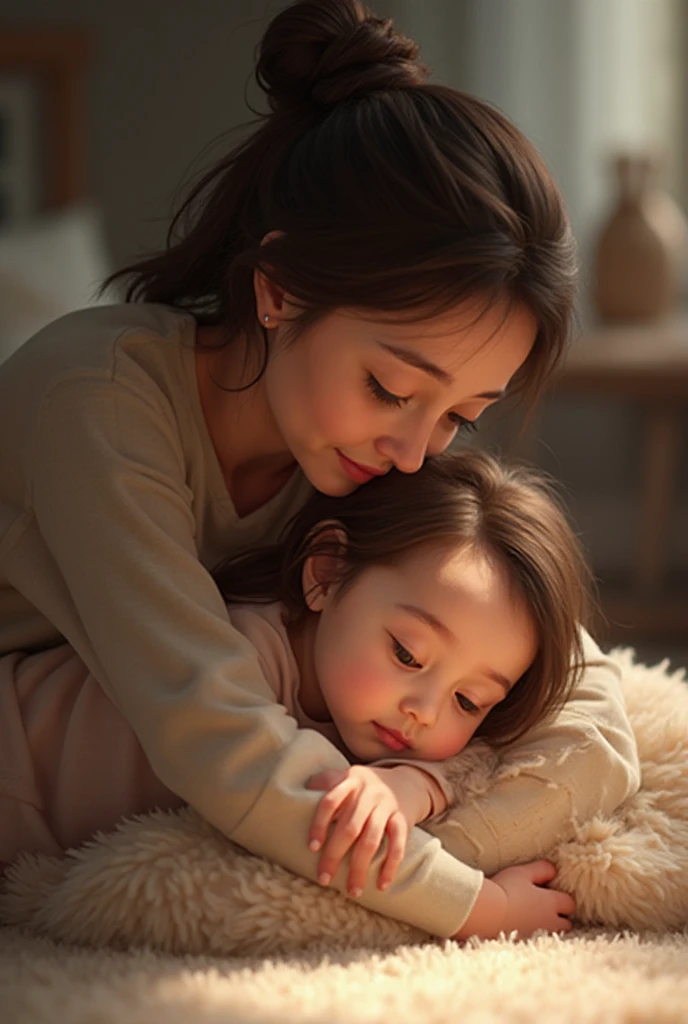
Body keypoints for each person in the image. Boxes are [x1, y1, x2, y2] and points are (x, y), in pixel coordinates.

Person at [0, 0, 638, 941]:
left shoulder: (358, 459)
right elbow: (211, 729)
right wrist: (462, 902)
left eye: (463, 414)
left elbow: (589, 693)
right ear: (277, 289)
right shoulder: (93, 401)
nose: (417, 452)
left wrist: (428, 803)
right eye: (389, 386)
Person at [1, 448, 585, 938]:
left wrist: (415, 782)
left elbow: (500, 757)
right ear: (326, 572)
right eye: (407, 654)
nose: (425, 712)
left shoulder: (366, 706)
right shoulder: (236, 656)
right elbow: (312, 824)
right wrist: (488, 909)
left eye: (469, 700)